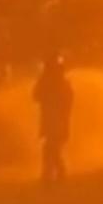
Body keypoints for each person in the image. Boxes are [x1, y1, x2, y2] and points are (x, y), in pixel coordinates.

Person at [32, 54, 73, 186]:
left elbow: (36, 95)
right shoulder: (58, 83)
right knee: (51, 148)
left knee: (50, 148)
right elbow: (36, 95)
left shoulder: (61, 84)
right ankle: (54, 173)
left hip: (56, 120)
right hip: (54, 120)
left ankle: (52, 174)